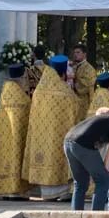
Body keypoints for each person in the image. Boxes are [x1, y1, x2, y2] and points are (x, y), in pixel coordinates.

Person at [26, 54, 82, 201]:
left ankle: (46, 192)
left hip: (41, 136)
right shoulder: (66, 93)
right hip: (59, 137)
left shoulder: (38, 91)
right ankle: (61, 192)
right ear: (63, 73)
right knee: (59, 156)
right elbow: (76, 113)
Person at [63, 104, 109, 211]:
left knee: (81, 183)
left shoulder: (104, 122)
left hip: (68, 141)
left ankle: (76, 217)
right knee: (103, 180)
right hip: (82, 144)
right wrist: (107, 163)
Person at [0, 62, 32, 197]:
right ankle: (15, 190)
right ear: (21, 77)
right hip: (17, 136)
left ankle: (3, 188)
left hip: (3, 135)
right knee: (16, 155)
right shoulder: (21, 96)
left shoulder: (5, 91)